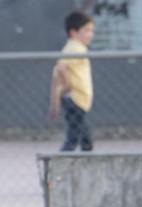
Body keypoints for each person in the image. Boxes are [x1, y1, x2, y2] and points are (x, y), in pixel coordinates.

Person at [49, 11, 95, 152]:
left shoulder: (78, 48)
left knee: (83, 137)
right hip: (75, 100)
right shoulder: (74, 47)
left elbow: (57, 74)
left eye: (91, 31)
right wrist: (68, 85)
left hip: (78, 101)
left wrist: (55, 103)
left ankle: (82, 162)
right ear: (73, 32)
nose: (90, 34)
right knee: (76, 138)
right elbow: (61, 68)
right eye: (86, 30)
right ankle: (60, 165)